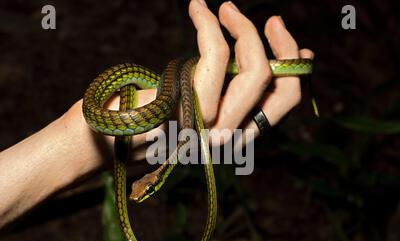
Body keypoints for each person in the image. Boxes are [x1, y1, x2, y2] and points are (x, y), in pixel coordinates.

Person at [0, 0, 314, 227]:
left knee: (182, 69)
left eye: (146, 190)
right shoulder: (169, 138)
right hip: (146, 95)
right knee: (179, 74)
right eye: (146, 190)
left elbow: (173, 89)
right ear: (154, 181)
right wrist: (80, 143)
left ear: (155, 182)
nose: (143, 193)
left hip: (158, 85)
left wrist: (79, 141)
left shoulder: (166, 126)